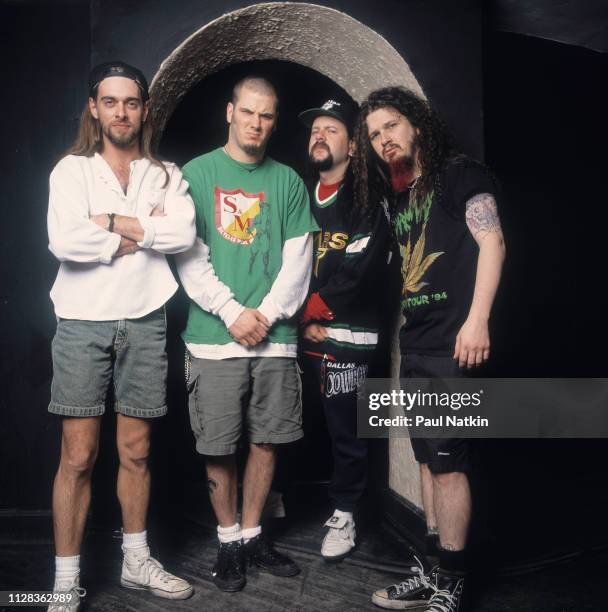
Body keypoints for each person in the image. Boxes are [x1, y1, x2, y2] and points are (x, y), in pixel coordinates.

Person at [46, 61, 196, 610]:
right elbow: (64, 241)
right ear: (94, 107)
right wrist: (139, 234)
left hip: (147, 317)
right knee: (79, 456)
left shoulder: (166, 173)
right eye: (110, 102)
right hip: (83, 318)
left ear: (144, 109)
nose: (121, 112)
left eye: (131, 102)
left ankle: (137, 560)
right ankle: (66, 580)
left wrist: (106, 221)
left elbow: (181, 233)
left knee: (136, 449)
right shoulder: (71, 172)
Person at [354, 87, 506, 611]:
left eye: (391, 126)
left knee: (448, 462)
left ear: (416, 124)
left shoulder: (459, 174)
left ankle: (454, 582)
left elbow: (493, 242)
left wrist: (478, 321)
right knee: (425, 458)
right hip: (415, 341)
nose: (384, 139)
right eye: (374, 134)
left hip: (453, 344)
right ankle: (433, 568)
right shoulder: (398, 196)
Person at [175, 76, 318, 592]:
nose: (257, 123)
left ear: (274, 120)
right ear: (230, 112)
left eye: (268, 115)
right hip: (214, 336)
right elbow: (188, 256)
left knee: (267, 438)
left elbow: (299, 261)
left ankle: (254, 535)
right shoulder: (197, 173)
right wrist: (233, 311)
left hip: (275, 338)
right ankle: (229, 539)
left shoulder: (289, 182)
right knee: (219, 442)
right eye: (249, 112)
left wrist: (267, 313)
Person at [297, 98, 390, 561]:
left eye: (331, 130)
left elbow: (361, 269)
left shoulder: (365, 198)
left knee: (346, 430)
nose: (320, 135)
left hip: (348, 338)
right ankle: (282, 500)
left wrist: (310, 312)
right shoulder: (297, 195)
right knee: (291, 423)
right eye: (315, 129)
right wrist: (296, 320)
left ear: (353, 146)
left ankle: (346, 513)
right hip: (298, 335)